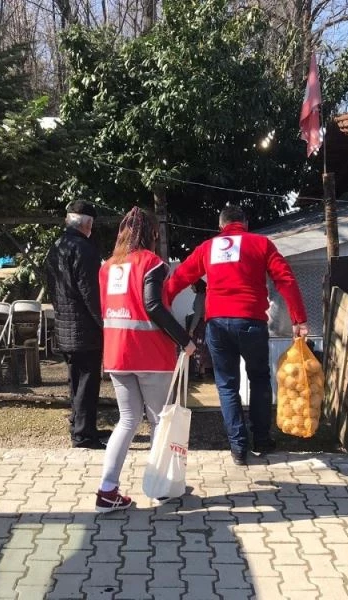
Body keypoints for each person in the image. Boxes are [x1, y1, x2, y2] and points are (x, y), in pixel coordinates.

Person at [166, 205, 308, 466]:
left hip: (217, 324)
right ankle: (262, 440)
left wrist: (160, 305)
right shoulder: (261, 244)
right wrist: (298, 319)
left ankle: (238, 448)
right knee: (260, 379)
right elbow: (285, 279)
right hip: (252, 322)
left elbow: (181, 277)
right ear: (246, 223)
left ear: (221, 226)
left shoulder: (208, 247)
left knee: (227, 385)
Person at [95, 207, 195, 513]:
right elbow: (153, 305)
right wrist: (185, 340)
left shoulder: (107, 267)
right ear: (151, 233)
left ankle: (107, 490)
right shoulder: (152, 263)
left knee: (127, 420)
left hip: (116, 353)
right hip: (150, 353)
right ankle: (161, 487)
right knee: (158, 421)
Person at [46, 200, 107, 450]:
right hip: (85, 329)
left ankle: (79, 425)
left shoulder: (56, 247)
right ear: (88, 224)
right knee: (87, 383)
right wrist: (104, 324)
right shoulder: (85, 250)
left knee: (75, 381)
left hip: (64, 324)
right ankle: (83, 435)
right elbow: (91, 294)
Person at [187, 279, 212, 379]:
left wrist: (191, 329)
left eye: (192, 285)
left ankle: (196, 372)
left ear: (197, 286)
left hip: (200, 324)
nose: (191, 287)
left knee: (198, 347)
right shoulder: (207, 295)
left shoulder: (200, 296)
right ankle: (202, 371)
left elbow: (197, 315)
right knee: (204, 347)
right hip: (208, 323)